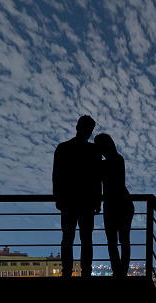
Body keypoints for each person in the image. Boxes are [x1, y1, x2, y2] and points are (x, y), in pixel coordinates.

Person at [52, 115, 101, 277]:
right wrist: (97, 201)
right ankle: (86, 272)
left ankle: (67, 272)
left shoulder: (63, 148)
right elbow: (96, 178)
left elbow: (57, 176)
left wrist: (58, 198)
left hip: (68, 201)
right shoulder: (94, 151)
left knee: (68, 239)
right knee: (86, 240)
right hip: (86, 202)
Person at [94, 133, 134, 277]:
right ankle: (121, 273)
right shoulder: (118, 159)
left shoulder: (104, 164)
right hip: (123, 204)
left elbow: (102, 182)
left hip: (113, 206)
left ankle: (118, 273)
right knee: (123, 241)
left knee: (113, 242)